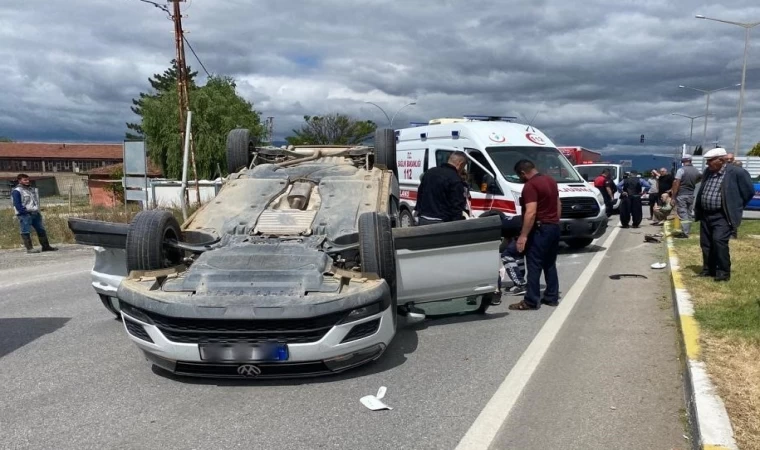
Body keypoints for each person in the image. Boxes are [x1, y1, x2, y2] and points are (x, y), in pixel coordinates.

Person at [693, 148, 755, 282]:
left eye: (710, 161)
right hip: (706, 214)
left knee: (719, 241)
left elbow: (748, 191)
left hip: (722, 215)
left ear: (721, 160)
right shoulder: (708, 172)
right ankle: (708, 269)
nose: (708, 164)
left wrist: (736, 205)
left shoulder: (737, 172)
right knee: (706, 243)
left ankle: (723, 272)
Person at [508, 159, 561, 311]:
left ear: (523, 173)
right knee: (550, 263)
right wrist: (555, 221)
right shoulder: (550, 181)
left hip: (540, 229)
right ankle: (551, 297)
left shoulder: (530, 186)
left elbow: (531, 212)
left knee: (534, 264)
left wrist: (523, 236)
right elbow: (558, 203)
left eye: (520, 176)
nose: (520, 179)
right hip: (553, 227)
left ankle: (531, 301)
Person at [414, 152, 468, 225]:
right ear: (460, 164)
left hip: (423, 219)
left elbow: (420, 194)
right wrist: (457, 224)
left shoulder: (429, 172)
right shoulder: (455, 179)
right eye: (463, 167)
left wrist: (419, 213)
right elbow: (456, 205)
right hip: (442, 223)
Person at [11, 174, 58, 254]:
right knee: (25, 230)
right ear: (19, 181)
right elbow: (17, 204)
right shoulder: (17, 191)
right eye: (25, 180)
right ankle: (29, 248)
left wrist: (37, 210)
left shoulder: (31, 189)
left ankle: (46, 246)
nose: (27, 181)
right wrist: (24, 212)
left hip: (35, 213)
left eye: (28, 179)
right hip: (25, 214)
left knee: (41, 229)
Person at [670, 155, 701, 238]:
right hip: (691, 194)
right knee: (689, 213)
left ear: (683, 161)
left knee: (683, 214)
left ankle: (685, 233)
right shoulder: (696, 170)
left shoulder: (681, 170)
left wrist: (673, 196)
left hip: (682, 194)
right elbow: (700, 178)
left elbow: (677, 183)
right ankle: (687, 231)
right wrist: (693, 182)